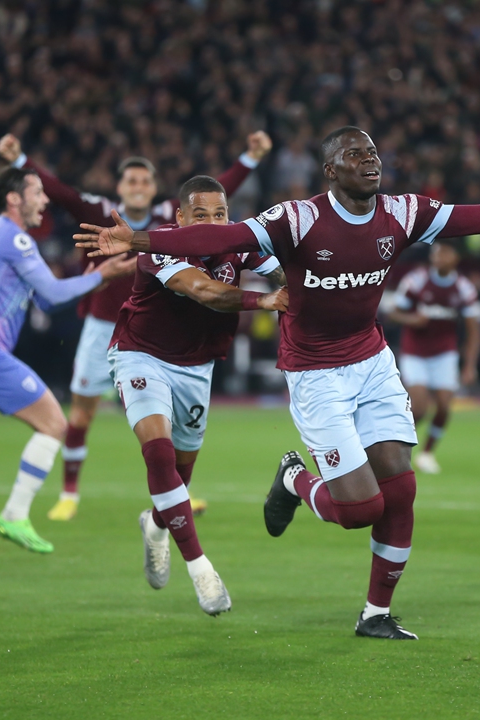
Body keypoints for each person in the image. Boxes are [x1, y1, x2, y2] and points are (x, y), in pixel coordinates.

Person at [75, 126, 480, 639]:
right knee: (359, 509)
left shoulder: (401, 212)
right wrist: (145, 240)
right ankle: (295, 478)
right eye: (354, 154)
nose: (369, 161)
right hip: (314, 373)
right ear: (331, 171)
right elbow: (215, 239)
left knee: (402, 488)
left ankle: (376, 613)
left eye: (372, 152)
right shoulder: (297, 220)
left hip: (372, 362)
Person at [0, 131, 273, 521]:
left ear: (156, 188)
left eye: (145, 180)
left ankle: (175, 496)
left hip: (159, 336)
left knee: (174, 430)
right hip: (104, 327)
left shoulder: (169, 218)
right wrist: (20, 158)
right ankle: (69, 493)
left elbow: (216, 197)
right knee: (81, 414)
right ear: (120, 187)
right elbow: (60, 192)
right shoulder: (101, 212)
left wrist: (250, 158)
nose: (139, 187)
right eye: (131, 180)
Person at [0, 167, 131, 553]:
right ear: (15, 199)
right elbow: (51, 288)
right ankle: (14, 514)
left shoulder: (6, 238)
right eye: (37, 192)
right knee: (54, 423)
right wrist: (103, 275)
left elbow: (47, 299)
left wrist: (98, 275)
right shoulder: (13, 237)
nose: (45, 200)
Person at [113, 175, 287, 615]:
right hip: (141, 356)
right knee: (158, 454)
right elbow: (205, 291)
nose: (214, 223)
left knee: (181, 473)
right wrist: (265, 302)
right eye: (202, 215)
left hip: (196, 367)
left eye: (221, 214)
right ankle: (201, 569)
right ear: (180, 218)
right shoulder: (161, 246)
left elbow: (287, 271)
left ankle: (155, 525)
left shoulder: (240, 243)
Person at [387, 239, 480, 474]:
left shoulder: (463, 287)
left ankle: (427, 453)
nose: (438, 256)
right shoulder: (416, 280)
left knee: (443, 406)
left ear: (455, 258)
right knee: (419, 407)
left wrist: (470, 365)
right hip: (415, 352)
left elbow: (474, 329)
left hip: (444, 353)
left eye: (444, 252)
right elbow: (393, 312)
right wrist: (413, 320)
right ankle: (394, 447)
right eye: (436, 252)